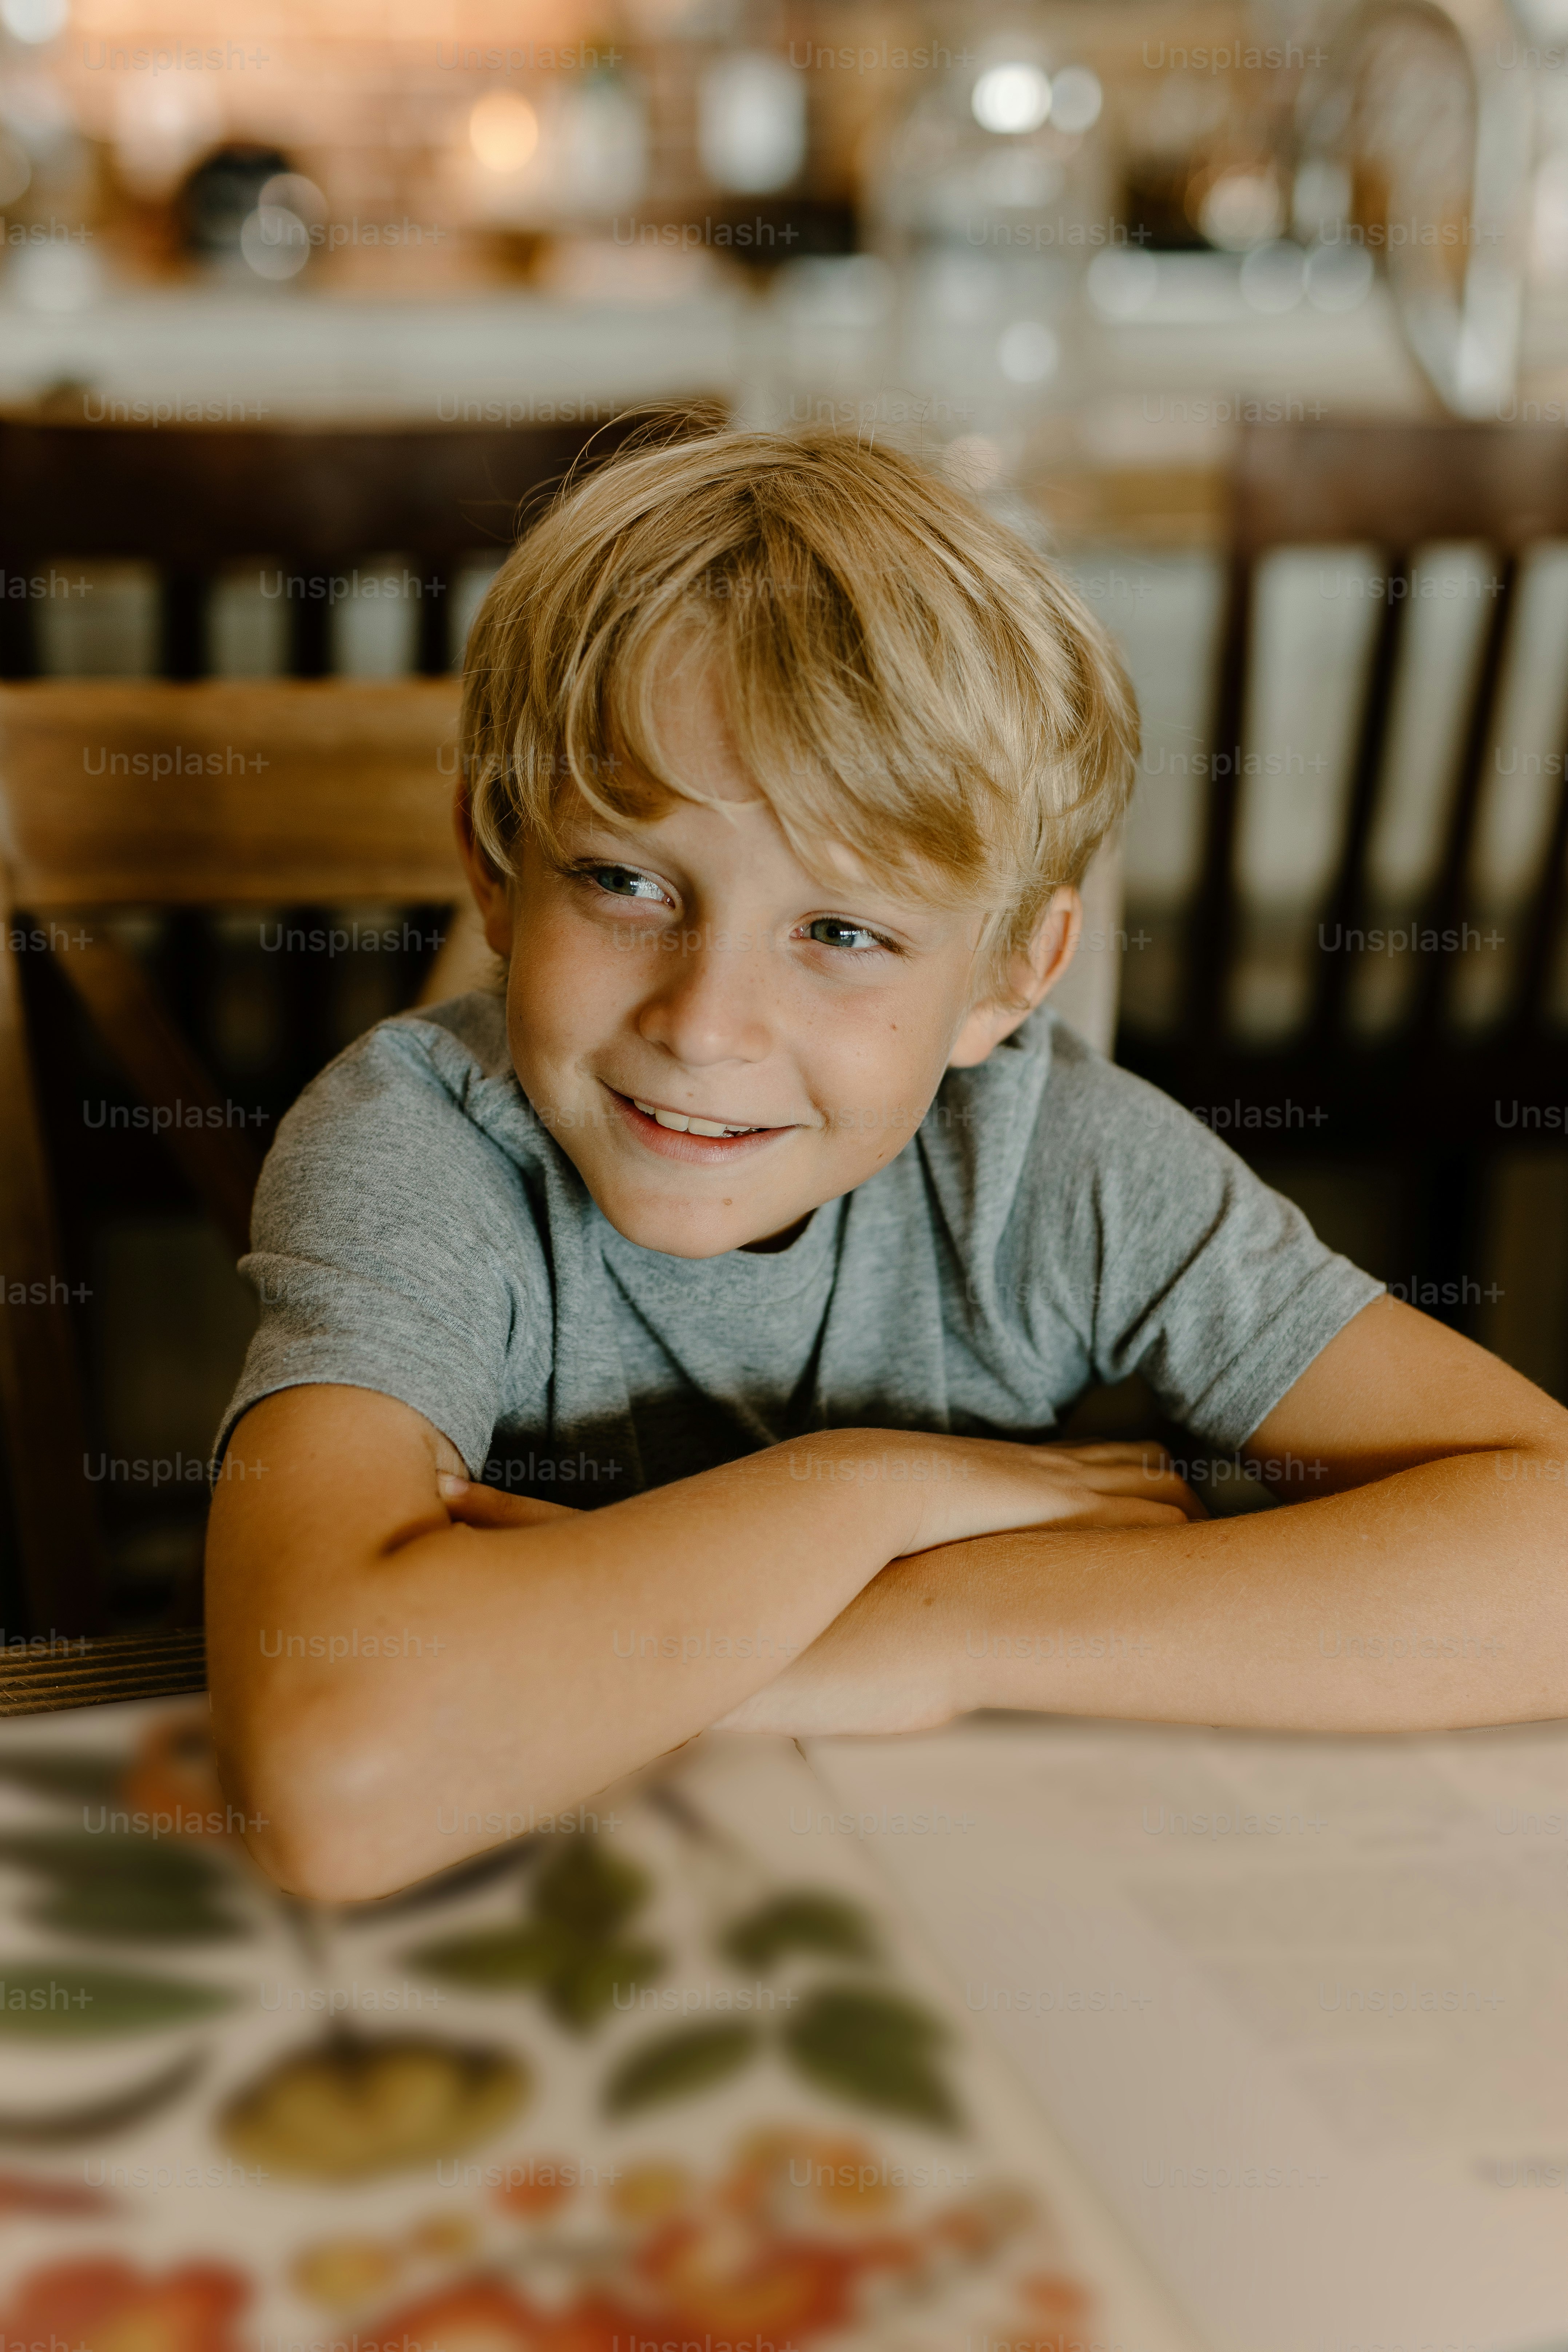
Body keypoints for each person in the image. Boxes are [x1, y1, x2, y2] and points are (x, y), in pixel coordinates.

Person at [205, 428, 1568, 1901]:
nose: (705, 1025)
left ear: (1010, 971)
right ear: (496, 866)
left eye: (841, 930)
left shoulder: (1051, 1163)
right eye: (622, 880)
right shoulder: (424, 1147)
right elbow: (335, 1781)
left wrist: (937, 1629)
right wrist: (879, 1488)